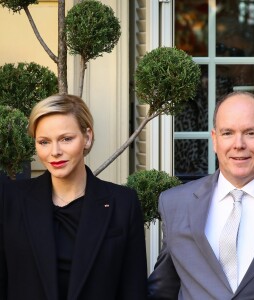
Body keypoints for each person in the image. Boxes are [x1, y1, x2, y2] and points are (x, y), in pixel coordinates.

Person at [147, 91, 254, 299]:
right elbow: (163, 289)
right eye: (228, 133)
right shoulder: (175, 204)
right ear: (215, 140)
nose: (238, 144)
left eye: (250, 133)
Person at [0, 94, 147, 300]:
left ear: (87, 137)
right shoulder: (9, 200)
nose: (55, 152)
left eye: (66, 139)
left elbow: (133, 290)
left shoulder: (123, 203)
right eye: (44, 142)